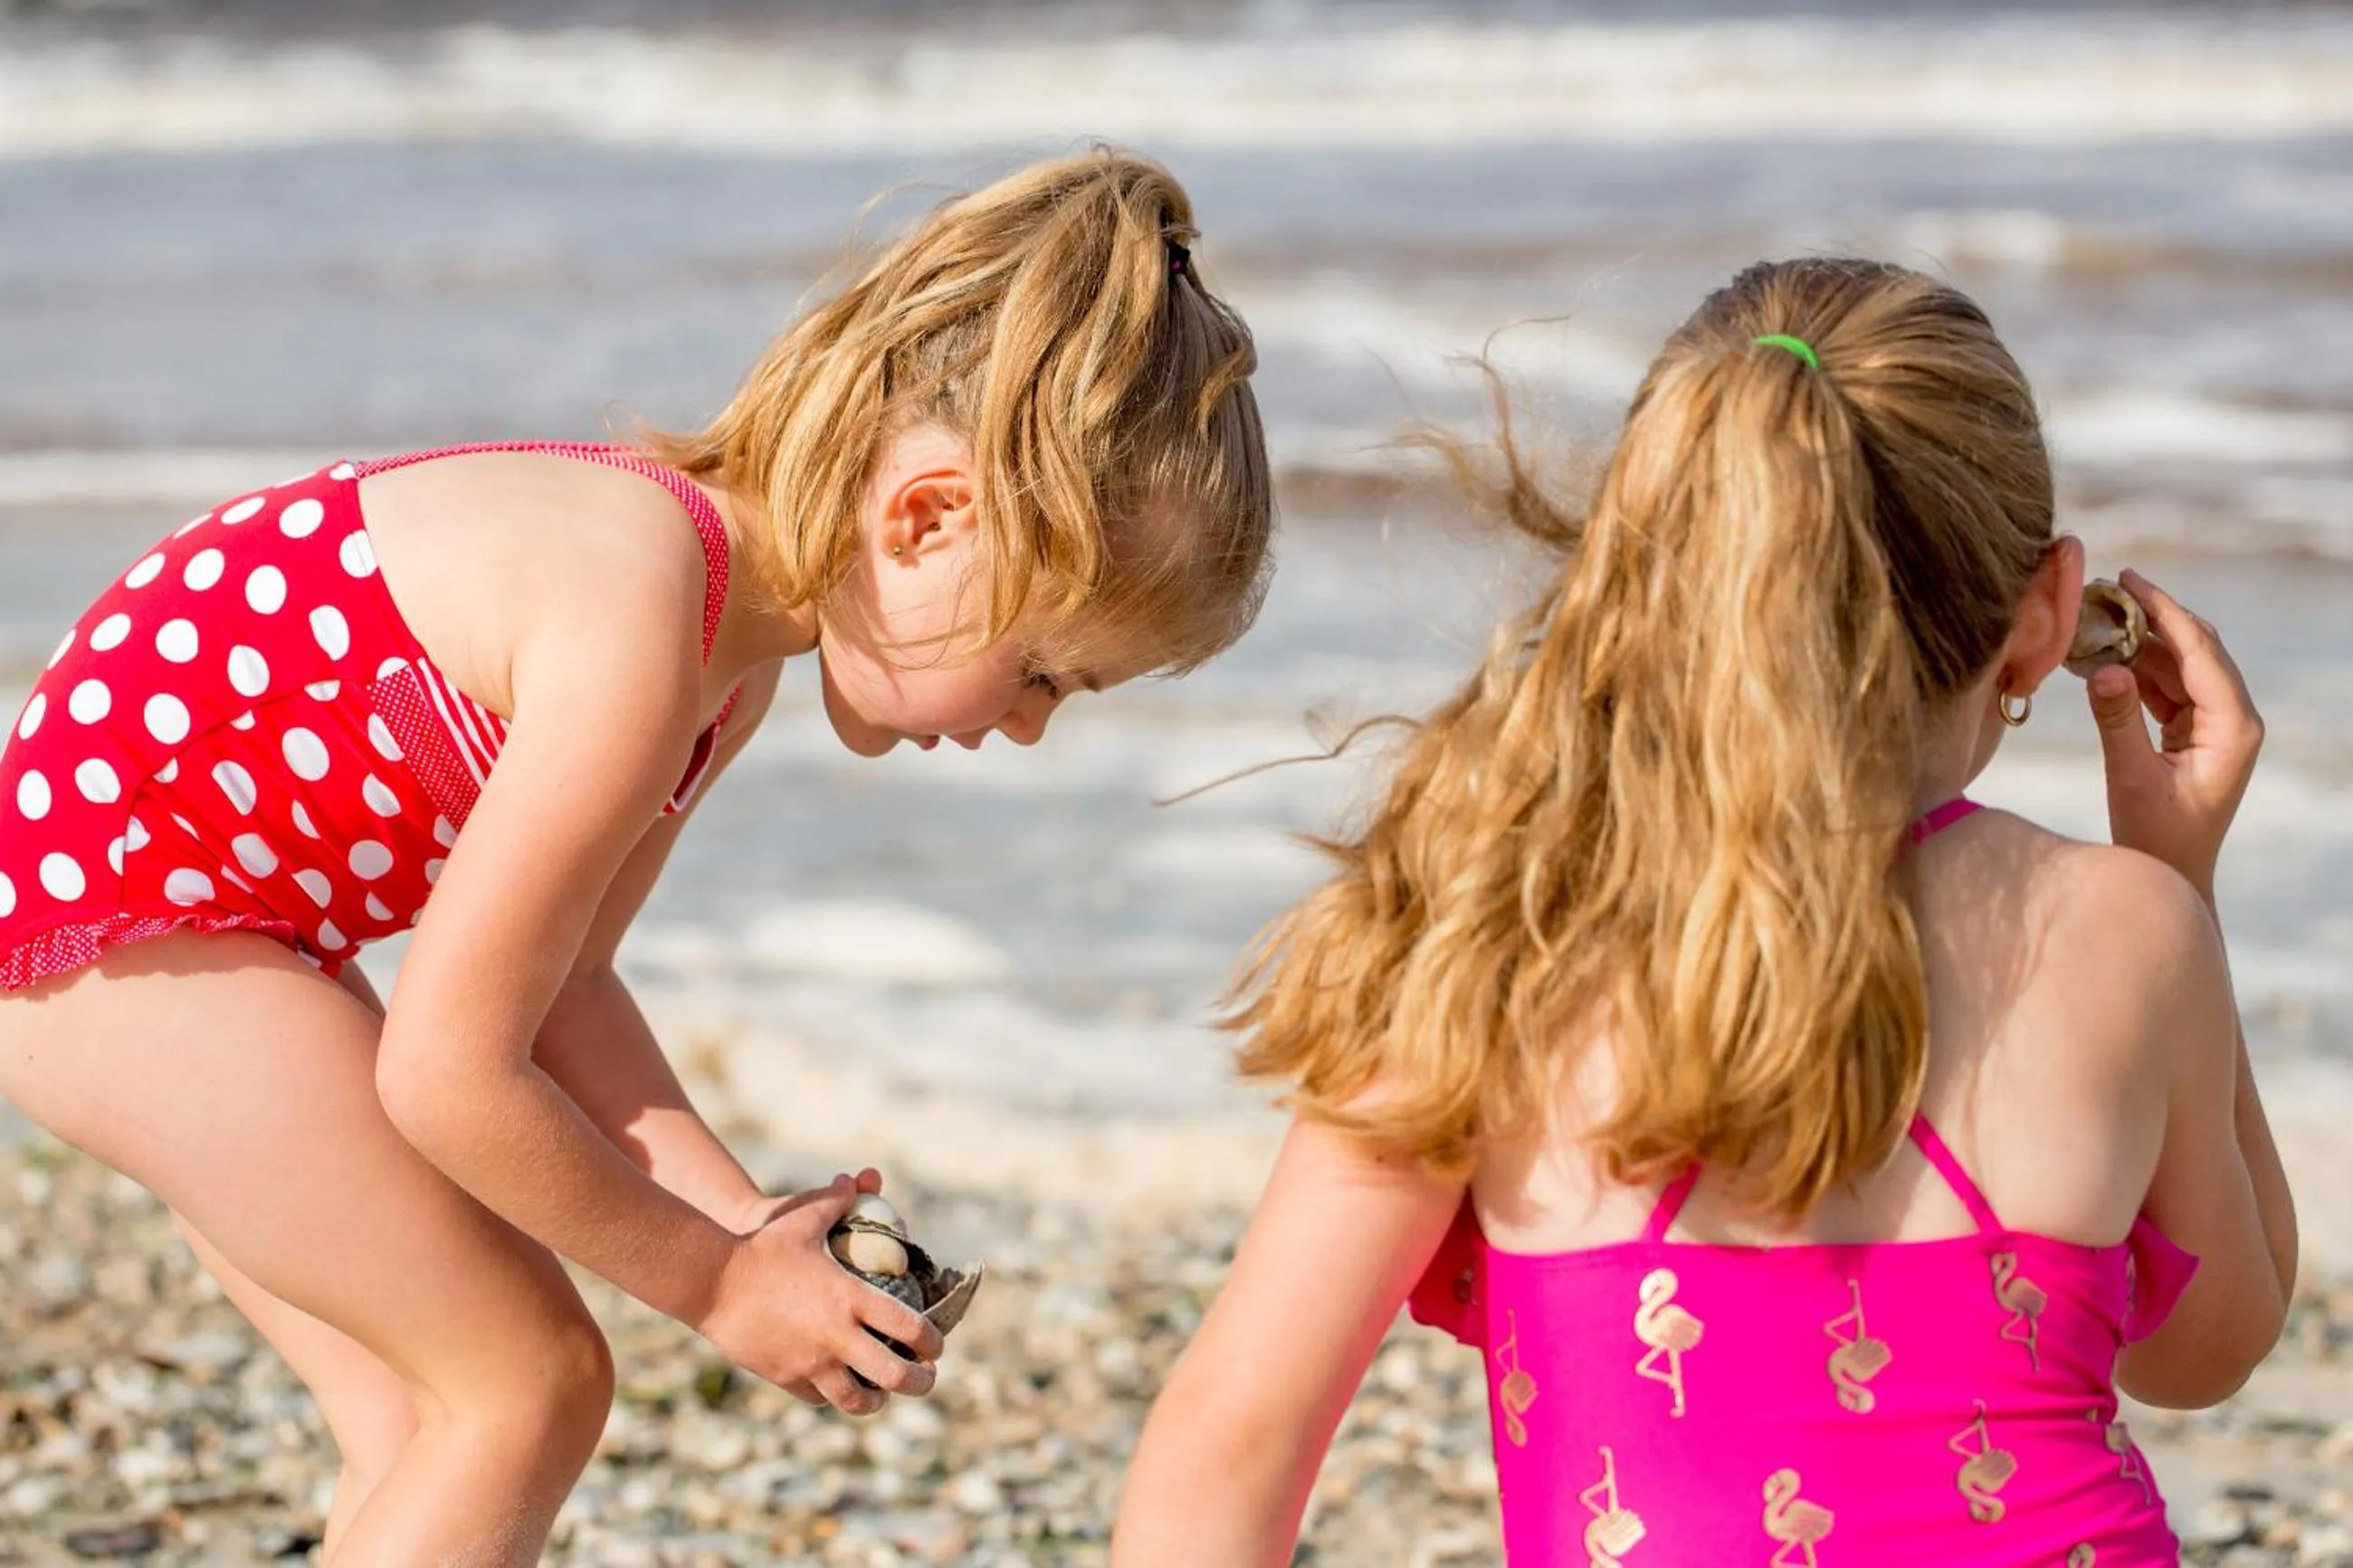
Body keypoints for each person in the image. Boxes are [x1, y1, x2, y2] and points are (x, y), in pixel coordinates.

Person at [0, 147, 1271, 1566]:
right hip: (114, 932)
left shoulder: (724, 655)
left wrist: (735, 1212)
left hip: (197, 930)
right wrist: (716, 1288)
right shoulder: (637, 616)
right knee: (529, 1386)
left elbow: (567, 988)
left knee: (426, 1421)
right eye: (1044, 672)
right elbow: (448, 1071)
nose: (1028, 729)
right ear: (928, 519)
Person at [1113, 257, 2292, 1566]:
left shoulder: (1499, 927)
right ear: (2049, 620)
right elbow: (2206, 1348)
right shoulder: (2128, 929)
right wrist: (2179, 879)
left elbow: (1228, 1452)